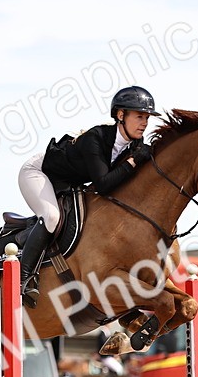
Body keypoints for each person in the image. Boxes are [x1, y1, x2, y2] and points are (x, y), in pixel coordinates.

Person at [16, 85, 161, 306]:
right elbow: (103, 185)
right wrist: (133, 162)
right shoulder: (96, 137)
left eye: (147, 118)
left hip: (70, 182)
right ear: (121, 115)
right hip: (39, 172)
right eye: (139, 116)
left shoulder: (135, 145)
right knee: (52, 216)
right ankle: (23, 279)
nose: (145, 123)